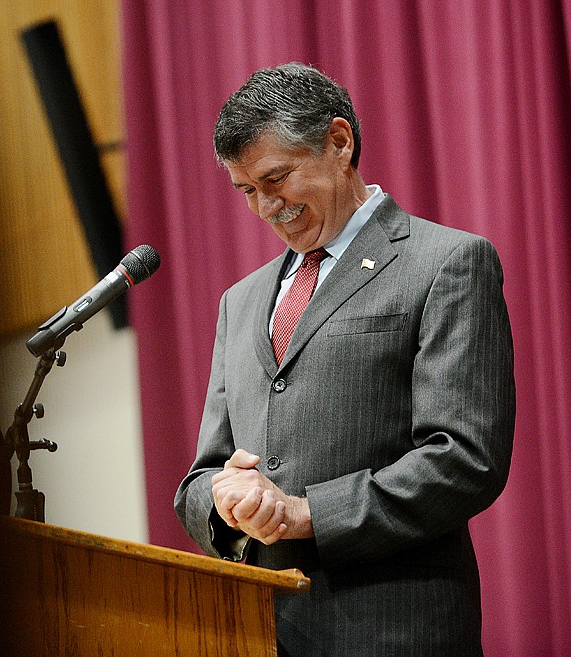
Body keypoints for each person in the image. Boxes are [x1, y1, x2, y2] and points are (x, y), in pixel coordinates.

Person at [174, 63, 515, 656]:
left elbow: (465, 459)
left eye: (276, 178)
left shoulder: (447, 263)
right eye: (247, 190)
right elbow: (202, 474)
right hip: (264, 633)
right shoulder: (241, 301)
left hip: (395, 630)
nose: (264, 206)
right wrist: (227, 502)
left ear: (338, 141)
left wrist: (309, 514)